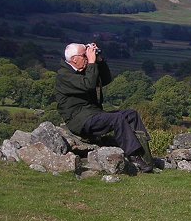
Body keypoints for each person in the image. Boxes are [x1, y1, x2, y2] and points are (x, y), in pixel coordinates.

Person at [55, 42, 162, 173]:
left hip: (92, 114)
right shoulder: (64, 75)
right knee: (116, 119)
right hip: (79, 119)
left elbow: (105, 80)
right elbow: (89, 85)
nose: (88, 58)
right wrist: (92, 63)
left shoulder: (83, 69)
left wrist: (100, 61)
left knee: (131, 114)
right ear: (74, 59)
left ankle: (145, 154)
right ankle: (134, 157)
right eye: (85, 55)